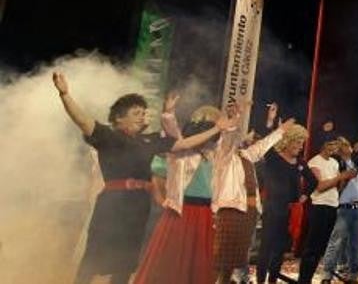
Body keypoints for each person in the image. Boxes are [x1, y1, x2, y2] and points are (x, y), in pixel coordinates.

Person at [53, 73, 230, 284]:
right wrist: (65, 94)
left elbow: (185, 144)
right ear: (119, 118)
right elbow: (82, 120)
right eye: (136, 113)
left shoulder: (150, 140)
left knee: (126, 260)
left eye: (144, 112)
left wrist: (217, 129)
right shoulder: (108, 136)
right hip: (112, 203)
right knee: (94, 256)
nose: (142, 116)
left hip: (138, 205)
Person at [133, 103, 226, 284]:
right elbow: (172, 132)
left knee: (197, 260)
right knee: (173, 259)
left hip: (204, 212)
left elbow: (230, 142)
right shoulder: (183, 150)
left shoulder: (212, 153)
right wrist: (168, 113)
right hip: (183, 211)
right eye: (210, 127)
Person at [212, 103, 296, 284]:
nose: (248, 139)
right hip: (230, 212)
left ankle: (235, 280)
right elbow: (229, 137)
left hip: (248, 214)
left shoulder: (246, 155)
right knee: (223, 262)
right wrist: (235, 119)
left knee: (238, 259)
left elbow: (264, 145)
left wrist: (280, 130)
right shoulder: (223, 156)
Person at [298, 138, 358, 284]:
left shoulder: (334, 163)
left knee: (321, 248)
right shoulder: (314, 162)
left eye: (336, 145)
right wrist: (340, 177)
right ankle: (303, 280)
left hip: (332, 206)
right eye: (331, 144)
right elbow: (320, 186)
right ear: (323, 145)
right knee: (312, 247)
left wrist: (347, 179)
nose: (334, 148)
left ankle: (311, 277)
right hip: (319, 206)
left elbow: (337, 187)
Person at [257, 122, 310, 284]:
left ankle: (272, 280)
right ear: (288, 141)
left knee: (279, 250)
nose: (300, 146)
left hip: (288, 212)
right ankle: (260, 281)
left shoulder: (300, 163)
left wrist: (304, 195)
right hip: (272, 209)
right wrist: (270, 123)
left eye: (302, 143)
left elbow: (313, 181)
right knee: (266, 248)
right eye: (297, 142)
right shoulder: (274, 158)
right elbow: (266, 142)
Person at [321, 137, 358, 280]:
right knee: (336, 241)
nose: (348, 147)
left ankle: (354, 273)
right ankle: (327, 273)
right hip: (344, 207)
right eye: (345, 145)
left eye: (347, 145)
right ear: (341, 150)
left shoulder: (357, 163)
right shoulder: (337, 164)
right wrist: (345, 178)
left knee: (356, 242)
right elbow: (337, 186)